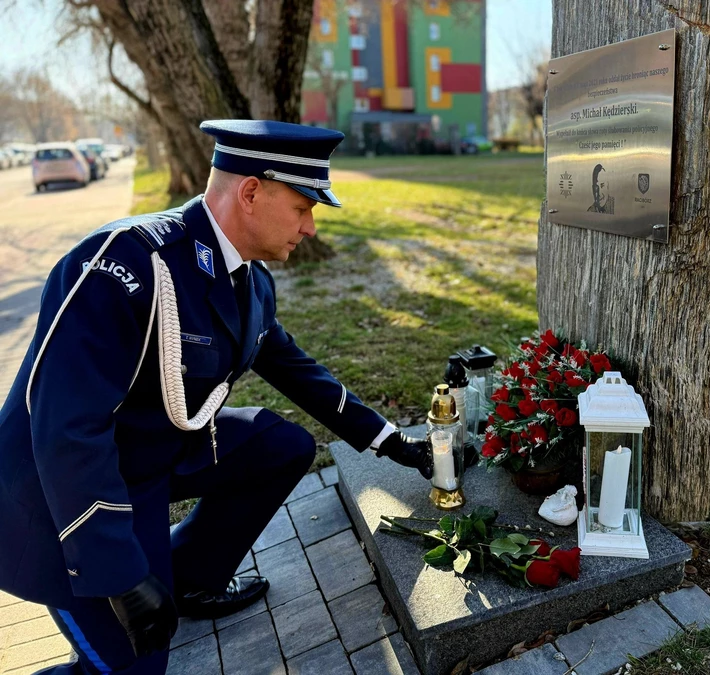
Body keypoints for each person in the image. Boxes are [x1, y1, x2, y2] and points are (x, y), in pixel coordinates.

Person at [0, 119, 433, 675]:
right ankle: (143, 593)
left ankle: (190, 583)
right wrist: (124, 578)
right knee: (134, 668)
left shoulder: (251, 280)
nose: (309, 229)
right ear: (251, 192)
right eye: (303, 209)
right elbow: (65, 429)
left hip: (150, 460)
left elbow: (296, 369)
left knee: (281, 448)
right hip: (66, 492)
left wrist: (389, 439)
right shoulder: (127, 264)